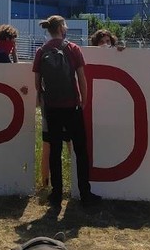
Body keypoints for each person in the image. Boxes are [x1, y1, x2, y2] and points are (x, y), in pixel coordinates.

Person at [33, 15, 101, 208]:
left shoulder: (41, 51)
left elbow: (37, 83)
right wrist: (84, 101)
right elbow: (82, 78)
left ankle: (56, 194)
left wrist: (44, 98)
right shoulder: (73, 49)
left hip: (52, 108)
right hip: (72, 107)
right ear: (62, 28)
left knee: (55, 151)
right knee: (80, 150)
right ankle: (84, 193)